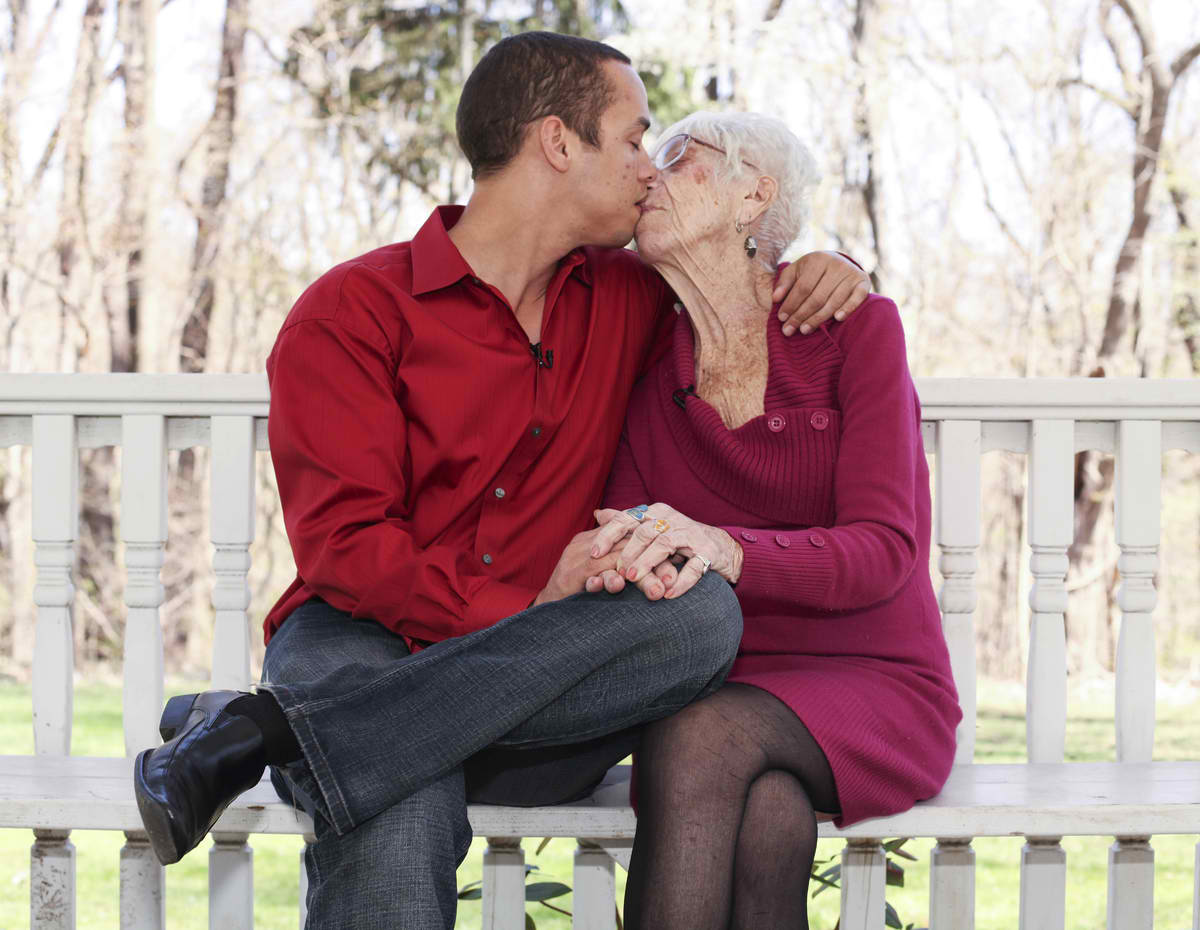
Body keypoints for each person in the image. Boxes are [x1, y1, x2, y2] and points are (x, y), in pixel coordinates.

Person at [132, 32, 872, 929]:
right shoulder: (352, 313)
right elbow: (348, 553)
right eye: (635, 139)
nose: (649, 167)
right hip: (362, 642)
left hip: (543, 693)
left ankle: (268, 732)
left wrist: (828, 268)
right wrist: (523, 599)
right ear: (559, 144)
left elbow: (736, 278)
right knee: (396, 796)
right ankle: (334, 734)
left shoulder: (631, 299)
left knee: (701, 617)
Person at [585, 111, 961, 930]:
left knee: (697, 736)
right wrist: (631, 554)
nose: (652, 171)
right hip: (722, 677)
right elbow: (635, 534)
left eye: (680, 156)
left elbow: (885, 549)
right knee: (768, 818)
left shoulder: (853, 330)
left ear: (755, 193)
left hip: (874, 678)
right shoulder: (651, 376)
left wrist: (726, 549)